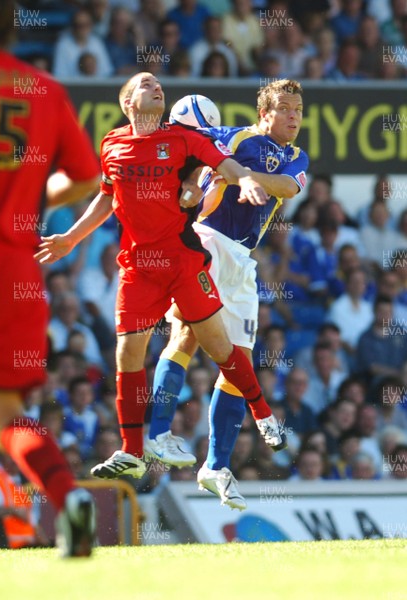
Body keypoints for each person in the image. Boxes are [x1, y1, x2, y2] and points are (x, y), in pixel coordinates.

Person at [35, 73, 288, 496]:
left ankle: (262, 413)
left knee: (219, 347)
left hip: (184, 260)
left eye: (158, 85)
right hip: (138, 267)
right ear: (128, 102)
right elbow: (106, 196)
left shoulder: (182, 139)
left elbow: (220, 163)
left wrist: (242, 179)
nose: (156, 88)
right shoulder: (112, 143)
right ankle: (132, 451)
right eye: (145, 84)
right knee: (127, 352)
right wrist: (71, 238)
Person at [144, 78, 308, 509]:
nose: (294, 116)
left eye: (298, 109)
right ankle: (157, 431)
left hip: (242, 261)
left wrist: (238, 174)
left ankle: (215, 466)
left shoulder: (296, 158)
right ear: (265, 113)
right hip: (208, 241)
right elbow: (191, 144)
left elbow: (288, 187)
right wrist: (198, 179)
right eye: (286, 108)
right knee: (186, 335)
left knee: (238, 361)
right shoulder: (236, 136)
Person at [0, 0, 99, 557]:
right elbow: (85, 177)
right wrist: (31, 198)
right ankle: (69, 497)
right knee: (3, 414)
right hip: (14, 268)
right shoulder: (44, 90)